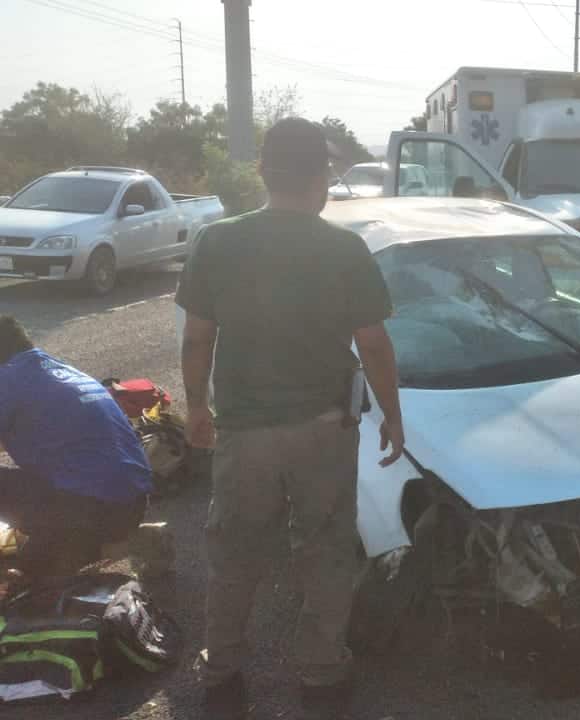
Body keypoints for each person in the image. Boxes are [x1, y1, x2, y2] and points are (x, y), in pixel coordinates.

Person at [177, 117, 405, 720]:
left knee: (234, 551)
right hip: (323, 430)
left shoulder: (216, 241)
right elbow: (374, 345)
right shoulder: (343, 249)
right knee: (326, 549)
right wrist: (393, 415)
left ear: (262, 172)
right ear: (323, 177)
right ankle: (321, 676)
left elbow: (198, 338)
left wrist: (197, 407)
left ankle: (222, 674)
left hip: (244, 432)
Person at [0, 315, 151, 577]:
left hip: (87, 512)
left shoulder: (7, 380)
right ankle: (124, 543)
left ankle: (60, 555)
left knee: (26, 579)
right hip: (133, 505)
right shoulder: (57, 371)